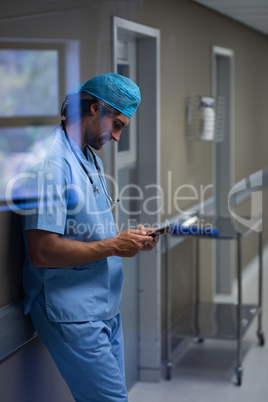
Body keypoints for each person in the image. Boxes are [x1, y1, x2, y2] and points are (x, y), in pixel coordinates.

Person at [22, 73, 159, 402]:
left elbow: (89, 229)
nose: (116, 136)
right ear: (95, 108)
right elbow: (42, 251)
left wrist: (131, 239)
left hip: (104, 304)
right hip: (71, 310)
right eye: (118, 125)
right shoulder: (50, 163)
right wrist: (115, 245)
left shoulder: (88, 158)